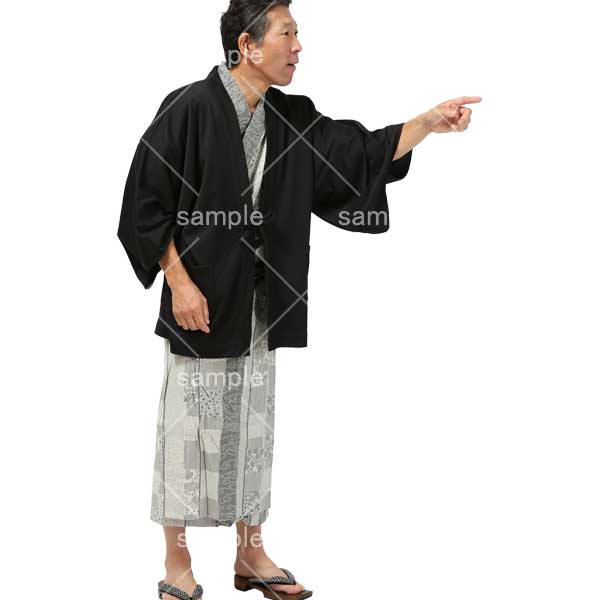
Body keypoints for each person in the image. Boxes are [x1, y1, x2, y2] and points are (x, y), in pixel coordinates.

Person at [117, 1, 481, 599]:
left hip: (262, 300)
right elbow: (145, 203)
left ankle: (250, 553)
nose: (298, 46)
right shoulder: (189, 107)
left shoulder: (290, 117)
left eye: (297, 34)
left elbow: (359, 151)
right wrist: (178, 284)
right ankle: (176, 560)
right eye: (287, 33)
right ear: (247, 46)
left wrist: (428, 122)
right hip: (200, 297)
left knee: (253, 430)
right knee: (188, 429)